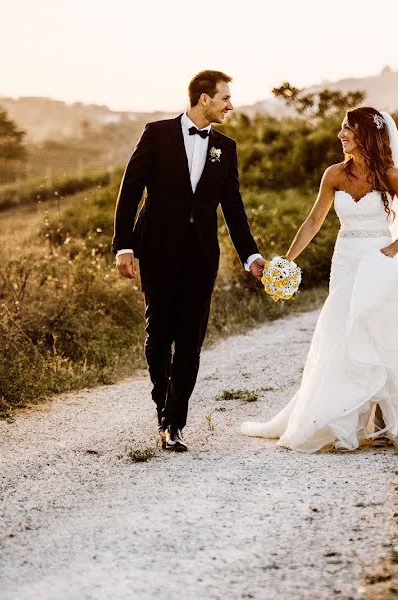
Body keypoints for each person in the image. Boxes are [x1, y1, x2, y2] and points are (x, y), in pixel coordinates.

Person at [241, 107, 398, 452]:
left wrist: (395, 246)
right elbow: (314, 221)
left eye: (347, 129)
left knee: (378, 335)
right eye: (342, 129)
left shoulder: (390, 174)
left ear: (365, 135)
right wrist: (286, 260)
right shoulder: (333, 174)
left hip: (378, 261)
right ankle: (345, 419)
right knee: (342, 332)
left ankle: (382, 422)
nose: (340, 134)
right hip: (346, 260)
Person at [112, 70, 266, 452]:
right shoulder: (156, 134)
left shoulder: (226, 148)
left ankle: (173, 422)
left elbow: (234, 209)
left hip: (201, 255)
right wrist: (123, 246)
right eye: (225, 98)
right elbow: (130, 191)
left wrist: (252, 255)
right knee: (158, 334)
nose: (230, 105)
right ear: (203, 99)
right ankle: (163, 404)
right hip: (158, 249)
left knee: (191, 340)